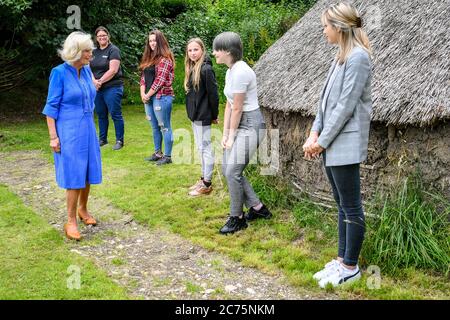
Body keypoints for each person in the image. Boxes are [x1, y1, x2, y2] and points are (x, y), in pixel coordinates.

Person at [302, 2, 372, 288]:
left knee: (352, 206)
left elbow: (345, 106)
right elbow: (324, 104)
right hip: (330, 140)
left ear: (340, 28)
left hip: (344, 141)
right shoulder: (341, 57)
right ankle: (342, 259)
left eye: (325, 27)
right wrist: (314, 133)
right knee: (341, 204)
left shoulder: (359, 58)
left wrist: (322, 142)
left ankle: (351, 267)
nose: (323, 31)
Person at [43, 31, 101, 241]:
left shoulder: (86, 71)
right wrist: (53, 137)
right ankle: (71, 221)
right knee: (74, 176)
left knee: (88, 171)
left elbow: (90, 94)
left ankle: (83, 210)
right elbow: (51, 108)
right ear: (75, 52)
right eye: (87, 50)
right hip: (68, 131)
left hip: (87, 128)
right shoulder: (58, 73)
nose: (90, 53)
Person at [212, 32, 272, 235]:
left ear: (228, 51)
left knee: (232, 171)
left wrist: (231, 134)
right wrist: (225, 134)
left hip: (251, 124)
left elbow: (238, 108)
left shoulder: (241, 72)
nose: (214, 53)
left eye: (217, 49)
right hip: (239, 123)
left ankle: (237, 218)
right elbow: (229, 106)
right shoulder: (230, 71)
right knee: (228, 169)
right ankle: (258, 208)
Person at [184, 38, 219, 196]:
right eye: (190, 50)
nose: (192, 53)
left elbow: (213, 95)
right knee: (200, 148)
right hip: (195, 115)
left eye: (195, 50)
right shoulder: (192, 68)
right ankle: (203, 178)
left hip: (203, 115)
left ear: (202, 50)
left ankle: (207, 183)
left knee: (205, 149)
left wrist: (214, 114)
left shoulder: (205, 69)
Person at [139, 30, 175, 165]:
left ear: (160, 42)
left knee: (164, 126)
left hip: (162, 96)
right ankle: (157, 153)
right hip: (148, 98)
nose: (152, 43)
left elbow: (159, 81)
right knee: (154, 127)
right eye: (150, 41)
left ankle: (167, 156)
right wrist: (143, 94)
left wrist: (147, 95)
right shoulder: (149, 59)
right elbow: (143, 78)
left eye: (154, 40)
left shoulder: (165, 59)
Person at [90, 26, 125, 150]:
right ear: (96, 38)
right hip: (98, 88)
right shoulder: (93, 51)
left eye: (104, 35)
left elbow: (113, 70)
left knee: (115, 114)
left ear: (108, 36)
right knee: (101, 114)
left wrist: (100, 81)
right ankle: (102, 139)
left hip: (112, 87)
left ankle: (119, 140)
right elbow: (87, 68)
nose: (102, 38)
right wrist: (94, 82)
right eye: (99, 36)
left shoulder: (113, 50)